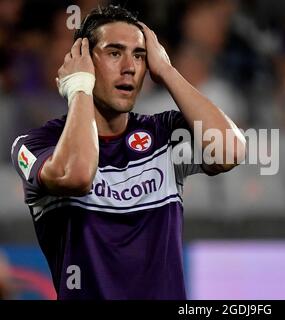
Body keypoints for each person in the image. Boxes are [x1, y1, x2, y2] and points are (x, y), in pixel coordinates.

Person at [10, 5, 246, 300]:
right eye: (114, 52)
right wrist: (80, 88)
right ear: (83, 61)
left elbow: (231, 151)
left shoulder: (162, 134)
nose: (130, 66)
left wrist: (168, 72)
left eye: (139, 55)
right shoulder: (34, 145)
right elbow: (79, 175)